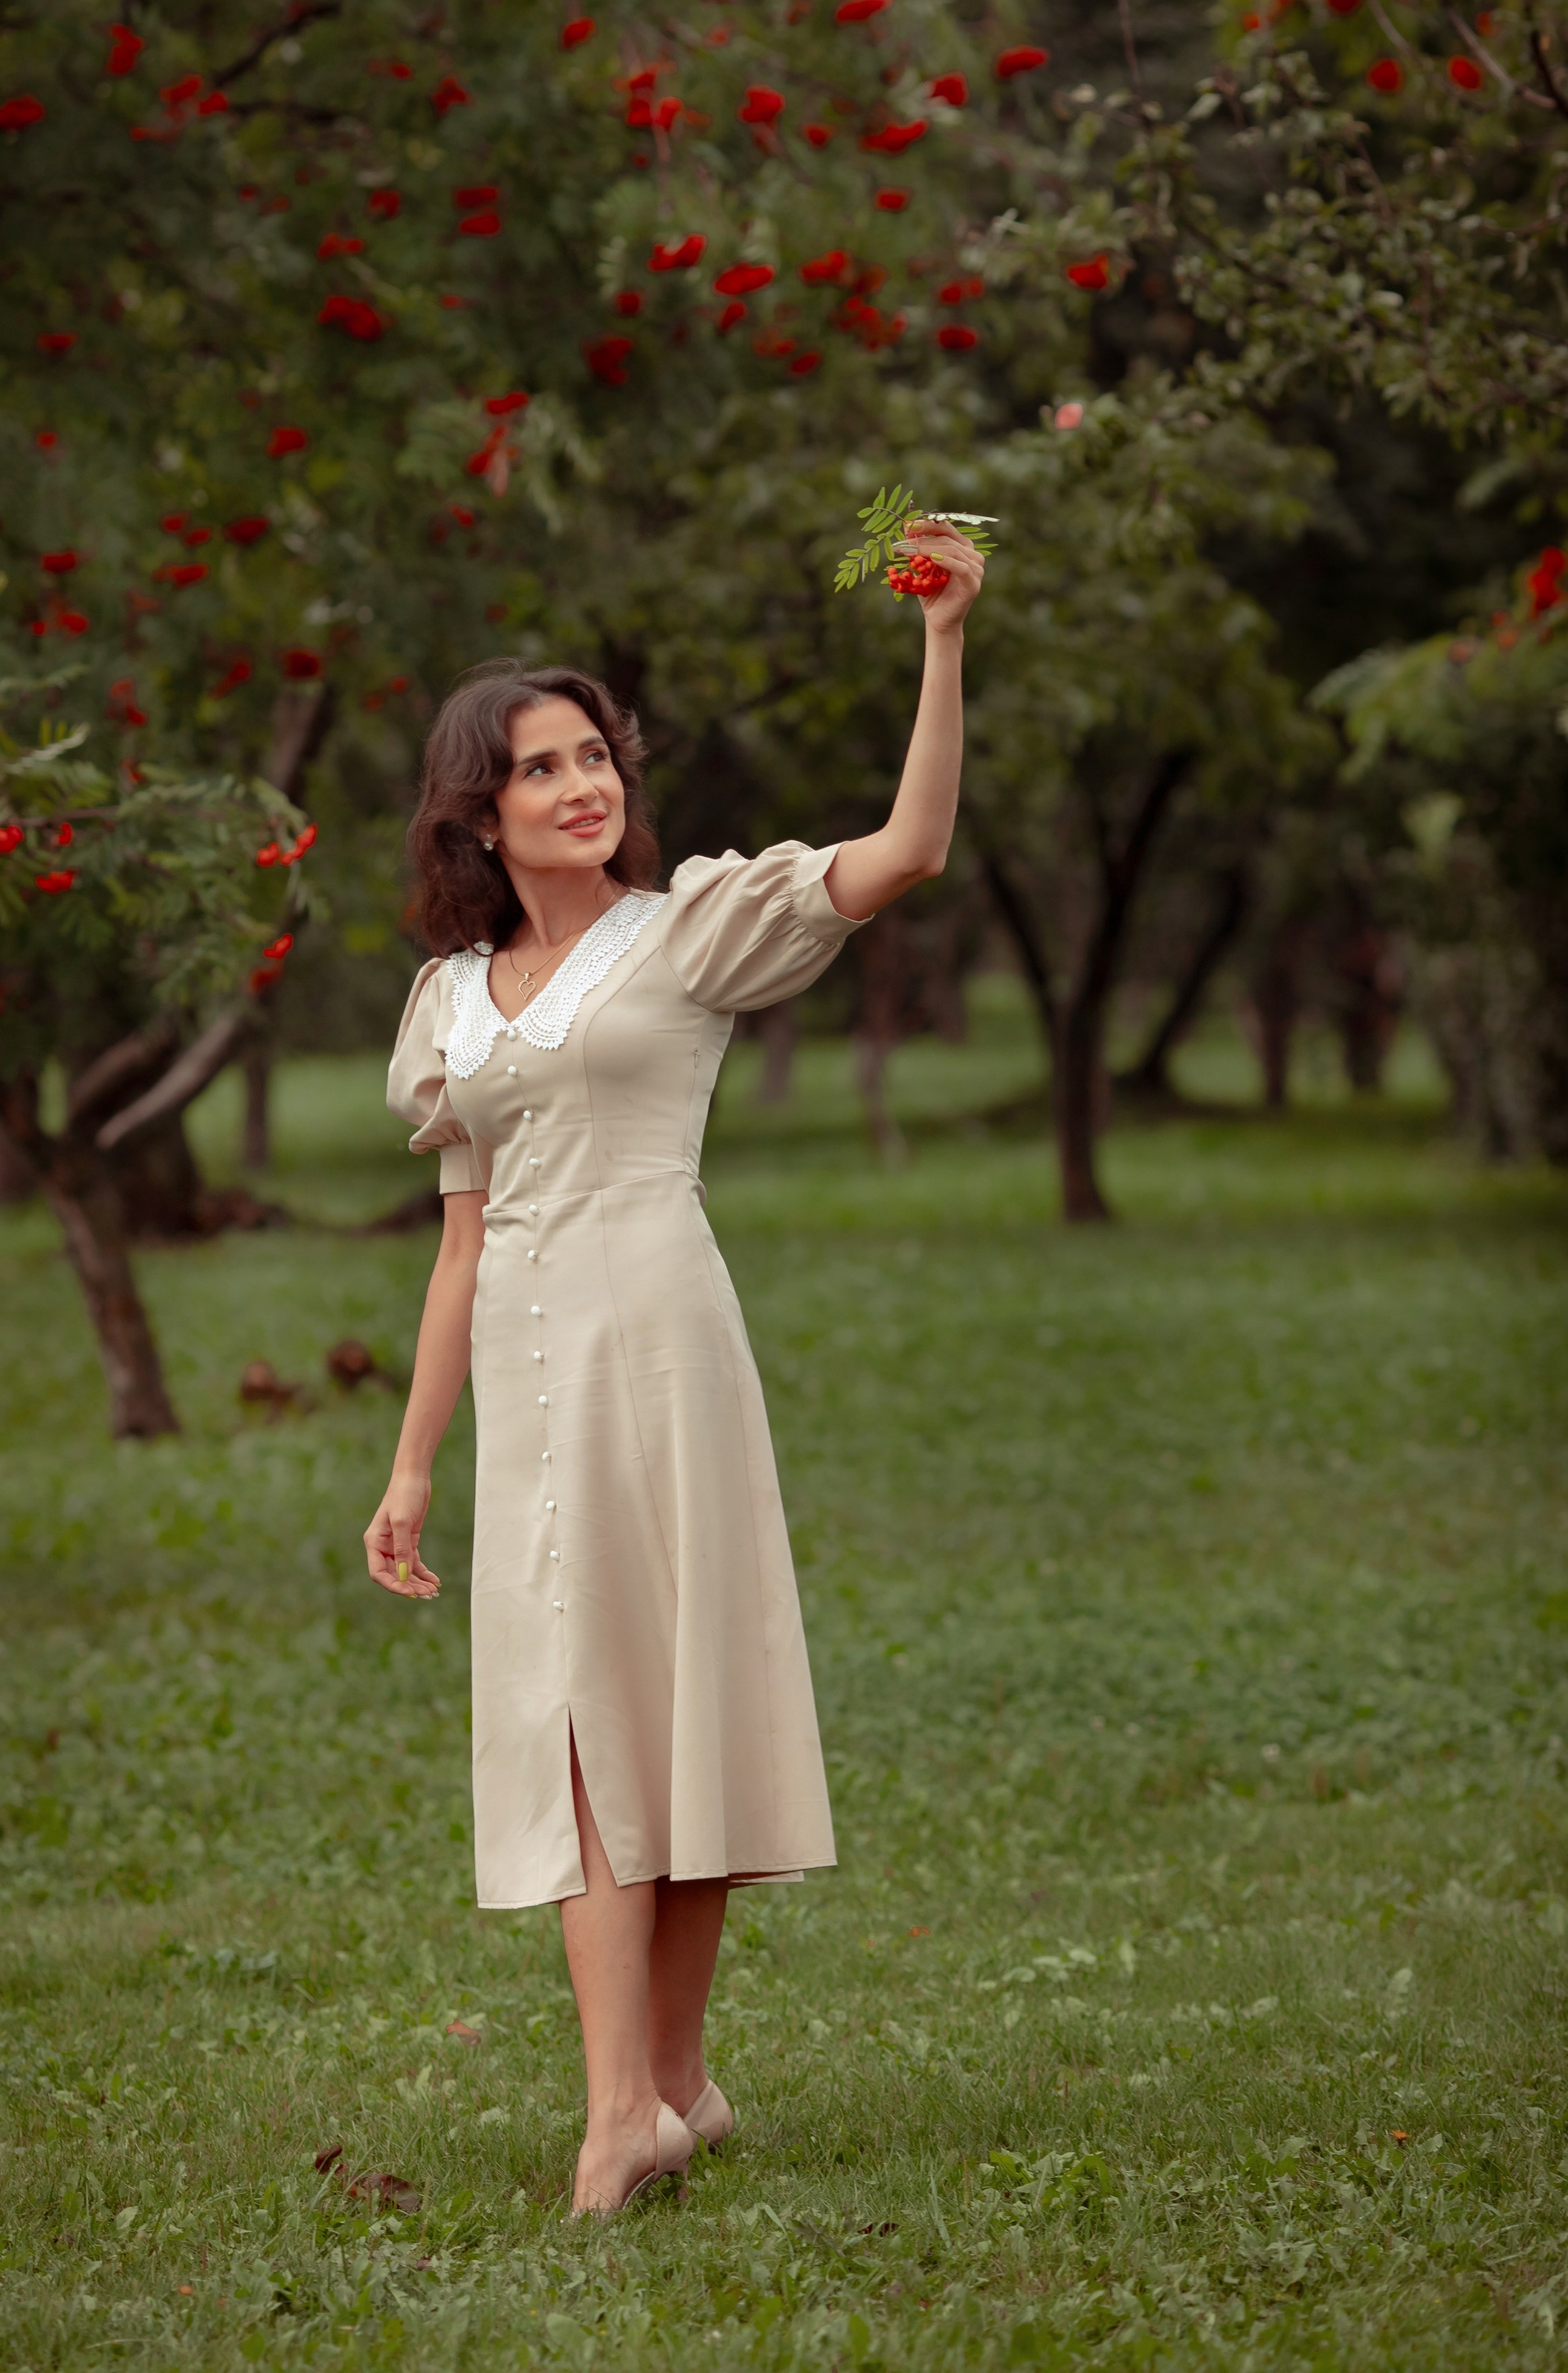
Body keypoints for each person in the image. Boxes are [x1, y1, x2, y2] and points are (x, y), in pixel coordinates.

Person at [367, 518, 984, 2213]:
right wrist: (414, 1464)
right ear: (476, 815)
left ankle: (658, 2091)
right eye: (539, 769)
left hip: (665, 1348)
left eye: (593, 756)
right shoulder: (450, 1003)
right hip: (525, 1372)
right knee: (570, 1725)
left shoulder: (692, 928)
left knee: (674, 1709)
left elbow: (908, 846)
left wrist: (937, 646)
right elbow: (460, 1237)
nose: (581, 786)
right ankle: (624, 2104)